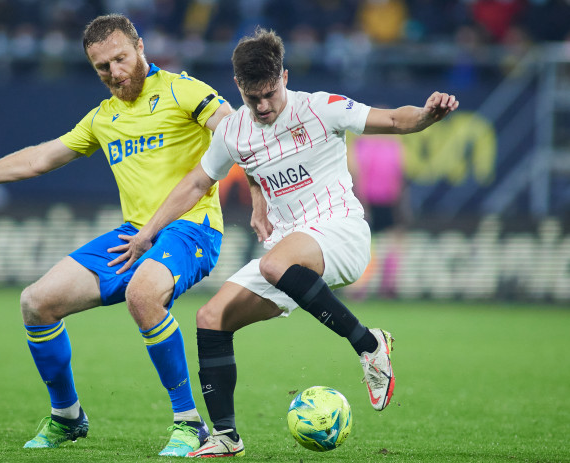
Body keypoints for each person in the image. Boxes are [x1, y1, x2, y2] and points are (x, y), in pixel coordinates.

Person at [110, 28, 459, 457]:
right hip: (289, 255)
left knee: (275, 262)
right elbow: (196, 183)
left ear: (285, 77)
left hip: (341, 233)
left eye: (270, 94)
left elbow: (391, 119)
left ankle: (370, 345)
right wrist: (148, 233)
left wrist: (426, 115)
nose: (263, 106)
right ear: (238, 87)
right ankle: (225, 437)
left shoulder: (320, 108)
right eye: (252, 97)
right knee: (210, 317)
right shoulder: (234, 132)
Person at [0, 14, 242, 457]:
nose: (115, 73)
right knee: (37, 302)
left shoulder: (184, 91)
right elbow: (38, 159)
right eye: (102, 67)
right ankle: (67, 417)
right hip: (133, 235)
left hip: (193, 229)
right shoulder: (102, 118)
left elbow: (239, 132)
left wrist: (260, 197)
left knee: (143, 295)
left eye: (121, 59)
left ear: (140, 47)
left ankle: (190, 423)